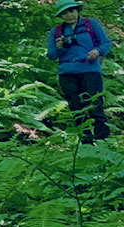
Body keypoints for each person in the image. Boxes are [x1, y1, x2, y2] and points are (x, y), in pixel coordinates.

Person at [47, 0, 112, 142]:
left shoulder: (91, 25)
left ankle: (103, 141)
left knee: (95, 106)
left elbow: (106, 43)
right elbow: (51, 55)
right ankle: (85, 142)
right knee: (76, 109)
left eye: (71, 11)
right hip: (67, 74)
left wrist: (97, 50)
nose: (69, 15)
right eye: (65, 13)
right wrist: (59, 46)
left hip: (90, 71)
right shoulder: (56, 31)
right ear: (60, 16)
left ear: (77, 11)